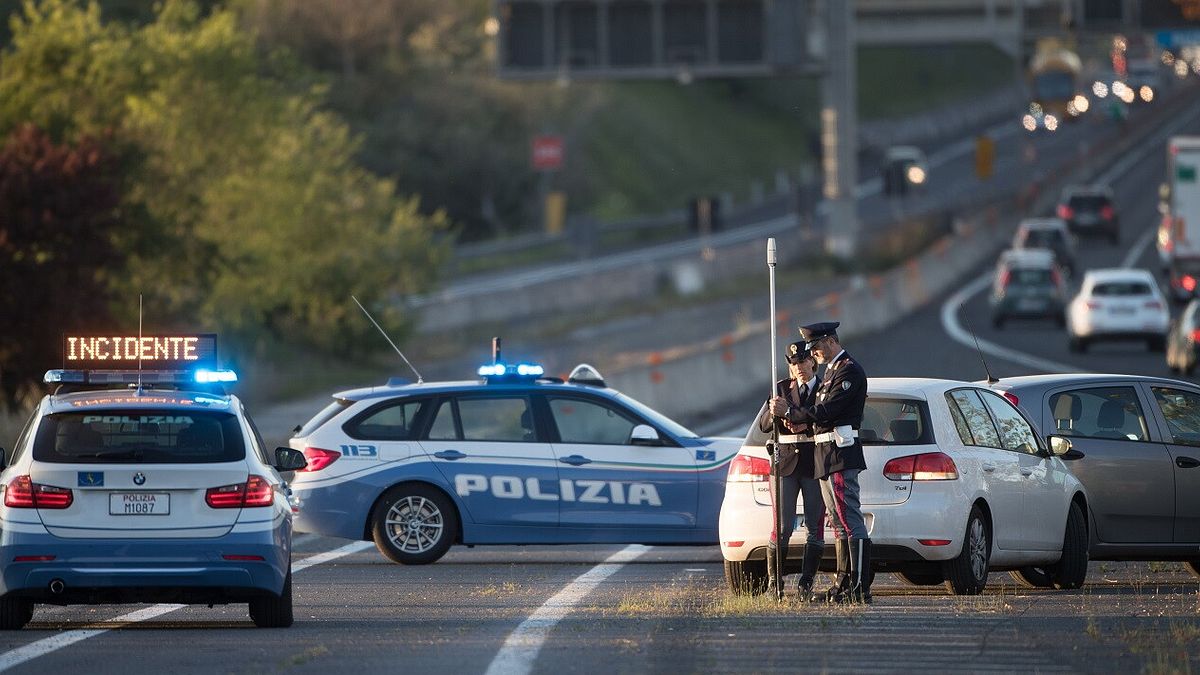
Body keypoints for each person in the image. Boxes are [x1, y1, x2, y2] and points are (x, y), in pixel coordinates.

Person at [770, 321, 871, 604]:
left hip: (840, 453)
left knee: (850, 521)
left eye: (814, 349)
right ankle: (843, 582)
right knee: (838, 523)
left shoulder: (848, 370)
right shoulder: (832, 372)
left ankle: (859, 586)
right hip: (825, 454)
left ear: (829, 342)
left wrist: (792, 411)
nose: (813, 354)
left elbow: (829, 410)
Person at [758, 340, 827, 601]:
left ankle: (806, 582)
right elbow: (765, 425)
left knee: (814, 525)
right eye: (794, 363)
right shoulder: (780, 389)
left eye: (803, 361)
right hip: (785, 464)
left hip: (813, 462)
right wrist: (773, 412)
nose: (799, 367)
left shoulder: (823, 388)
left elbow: (823, 416)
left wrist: (793, 412)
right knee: (782, 526)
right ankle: (774, 584)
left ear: (813, 361)